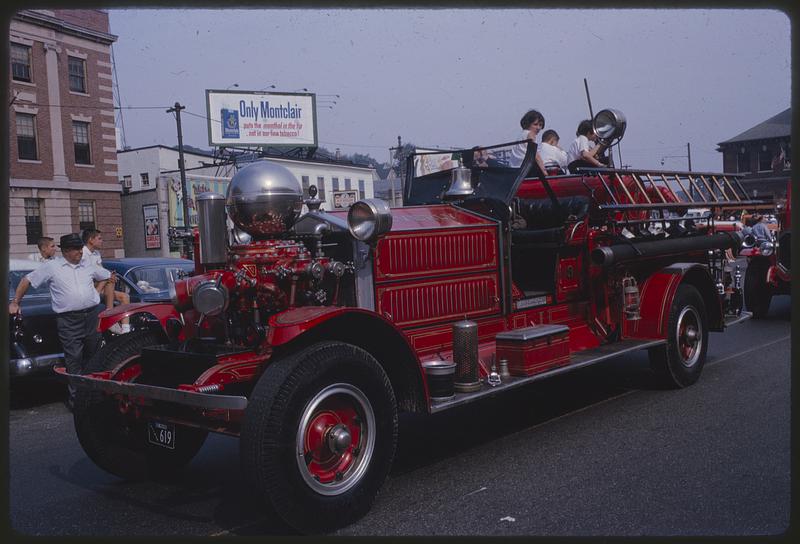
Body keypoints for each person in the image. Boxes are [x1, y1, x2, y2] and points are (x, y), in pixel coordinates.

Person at [8, 233, 111, 386]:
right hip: (68, 320)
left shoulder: (87, 264)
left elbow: (106, 276)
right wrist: (15, 302)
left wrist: (97, 291)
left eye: (80, 248)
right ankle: (77, 398)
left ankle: (92, 394)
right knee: (74, 359)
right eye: (76, 249)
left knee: (94, 355)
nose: (80, 251)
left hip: (92, 316)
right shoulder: (52, 266)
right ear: (66, 251)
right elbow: (26, 280)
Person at [82, 229, 131, 334]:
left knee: (125, 297)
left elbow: (101, 269)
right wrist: (108, 276)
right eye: (99, 238)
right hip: (89, 286)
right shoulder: (83, 253)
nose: (101, 241)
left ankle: (126, 330)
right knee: (109, 280)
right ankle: (110, 316)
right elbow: (92, 272)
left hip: (100, 284)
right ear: (91, 240)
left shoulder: (96, 254)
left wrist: (109, 274)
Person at [508, 109, 549, 176]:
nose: (538, 128)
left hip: (515, 170)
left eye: (540, 125)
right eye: (535, 124)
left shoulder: (521, 135)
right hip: (525, 170)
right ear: (528, 124)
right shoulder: (530, 134)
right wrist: (545, 172)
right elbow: (536, 155)